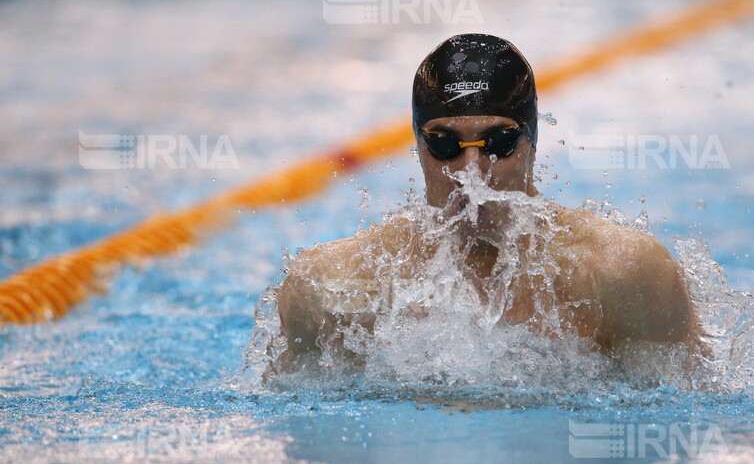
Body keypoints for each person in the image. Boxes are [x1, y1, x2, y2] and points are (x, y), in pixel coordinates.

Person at [275, 33, 702, 373]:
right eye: (445, 145)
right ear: (418, 147)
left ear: (532, 143)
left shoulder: (622, 274)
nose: (472, 170)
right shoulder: (332, 287)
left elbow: (687, 421)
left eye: (499, 142)